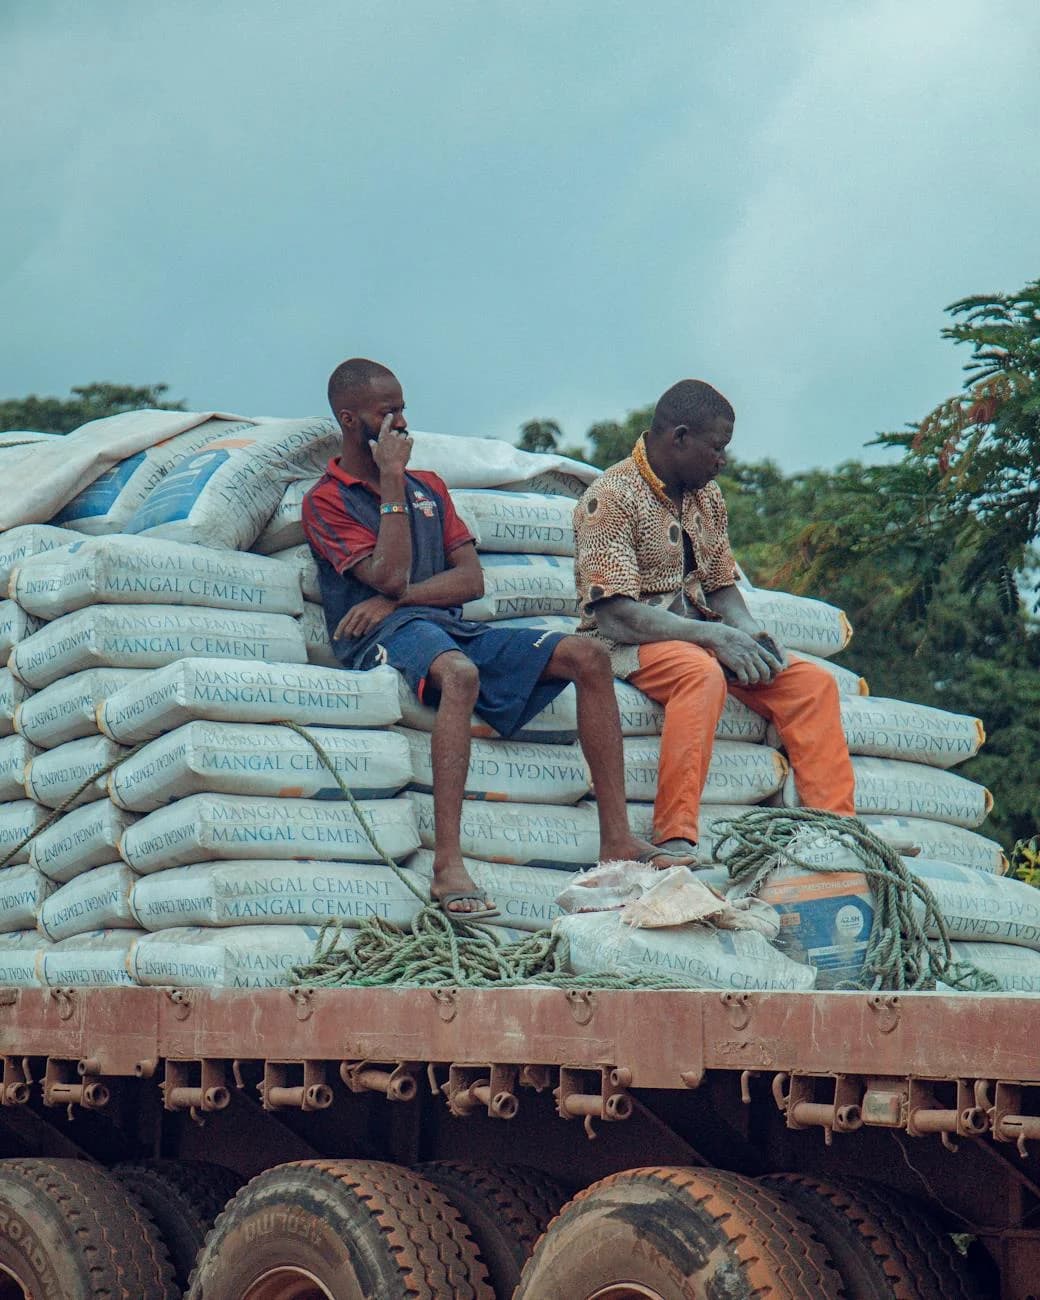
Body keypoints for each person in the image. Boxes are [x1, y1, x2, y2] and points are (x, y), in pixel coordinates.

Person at [303, 358, 682, 919]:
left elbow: (470, 580)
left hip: (443, 623)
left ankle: (617, 838)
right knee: (459, 675)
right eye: (387, 412)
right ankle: (447, 867)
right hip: (383, 635)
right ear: (349, 417)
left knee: (589, 654)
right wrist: (388, 488)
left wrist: (399, 594)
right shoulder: (327, 500)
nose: (402, 423)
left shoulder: (429, 486)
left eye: (404, 408)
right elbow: (386, 574)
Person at [573, 378, 856, 856]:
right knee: (701, 676)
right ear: (679, 437)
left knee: (810, 684)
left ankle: (838, 832)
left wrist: (747, 631)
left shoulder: (708, 496)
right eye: (716, 447)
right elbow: (616, 615)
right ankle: (676, 835)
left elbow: (723, 584)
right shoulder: (611, 497)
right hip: (628, 645)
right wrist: (711, 639)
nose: (723, 459)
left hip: (702, 634)